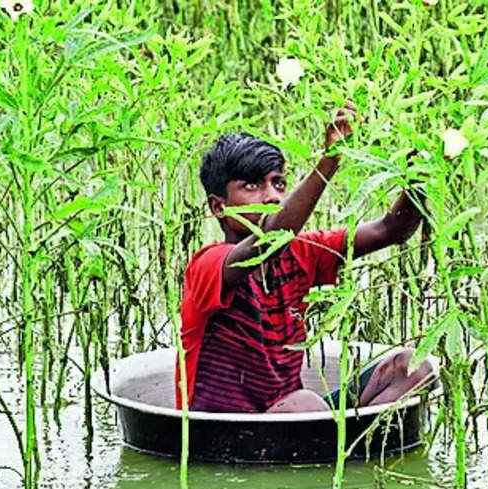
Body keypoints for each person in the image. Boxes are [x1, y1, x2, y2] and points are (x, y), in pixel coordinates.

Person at [177, 101, 432, 413]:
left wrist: (420, 175)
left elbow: (390, 230)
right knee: (305, 404)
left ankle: (353, 449)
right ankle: (334, 448)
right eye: (252, 186)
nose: (272, 196)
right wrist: (329, 162)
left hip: (299, 420)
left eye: (278, 183)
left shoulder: (303, 252)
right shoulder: (209, 265)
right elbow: (268, 241)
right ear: (219, 207)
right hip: (225, 431)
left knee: (414, 366)